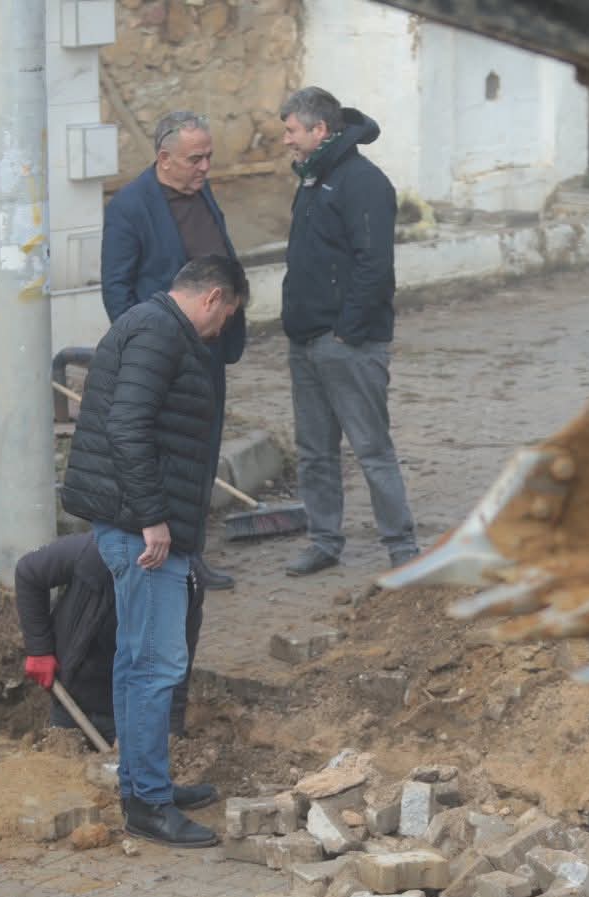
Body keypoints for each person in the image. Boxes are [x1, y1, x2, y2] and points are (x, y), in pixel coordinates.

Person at [59, 255, 248, 848]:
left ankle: (144, 781)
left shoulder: (155, 327)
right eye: (227, 316)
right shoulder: (160, 332)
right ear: (213, 297)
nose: (221, 330)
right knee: (156, 663)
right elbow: (127, 427)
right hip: (139, 528)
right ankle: (147, 804)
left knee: (136, 659)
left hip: (135, 520)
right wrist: (153, 518)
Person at [101, 110, 248, 591]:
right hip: (164, 356)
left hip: (210, 348)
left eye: (208, 157)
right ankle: (169, 558)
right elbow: (117, 289)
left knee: (202, 452)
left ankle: (192, 554)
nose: (205, 167)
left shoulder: (202, 191)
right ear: (164, 159)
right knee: (170, 457)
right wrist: (143, 351)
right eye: (195, 159)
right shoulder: (130, 207)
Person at [276, 86, 419, 577]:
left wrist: (347, 332)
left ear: (319, 130)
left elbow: (374, 264)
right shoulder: (312, 178)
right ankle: (324, 541)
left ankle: (402, 548)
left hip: (347, 344)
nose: (286, 140)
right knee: (314, 453)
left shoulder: (363, 183)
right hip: (306, 341)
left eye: (291, 131)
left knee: (371, 449)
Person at [13, 531, 205, 746]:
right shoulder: (95, 552)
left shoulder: (186, 589)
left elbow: (176, 673)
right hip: (72, 693)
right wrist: (39, 649)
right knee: (63, 759)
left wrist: (167, 735)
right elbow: (28, 572)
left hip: (127, 709)